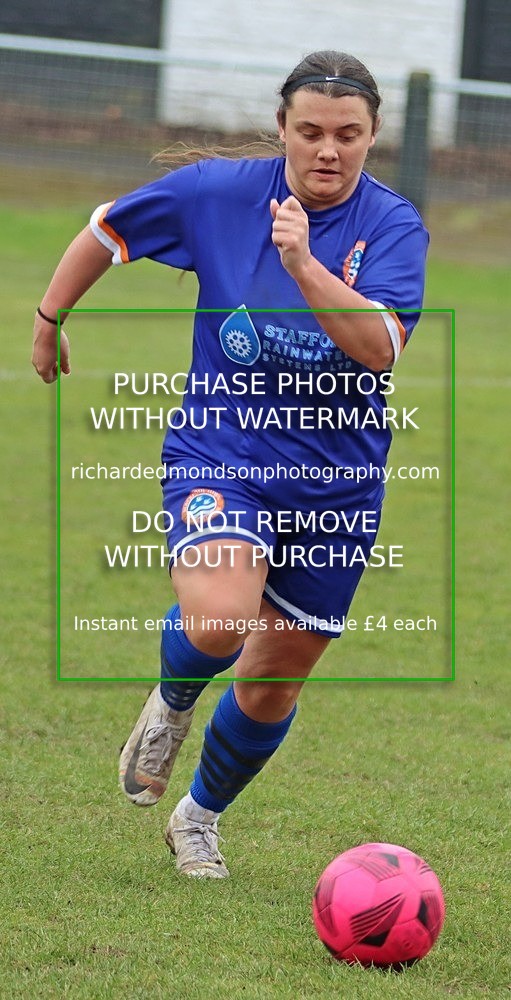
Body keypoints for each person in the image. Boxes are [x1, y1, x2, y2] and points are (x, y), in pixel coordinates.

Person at [32, 50, 428, 879]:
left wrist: (304, 265)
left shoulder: (392, 227)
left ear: (372, 137)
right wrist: (49, 315)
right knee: (218, 621)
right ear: (282, 128)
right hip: (224, 452)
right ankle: (173, 702)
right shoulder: (219, 194)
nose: (328, 150)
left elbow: (377, 350)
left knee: (272, 684)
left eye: (347, 135)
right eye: (310, 131)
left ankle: (197, 818)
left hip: (338, 482)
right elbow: (107, 230)